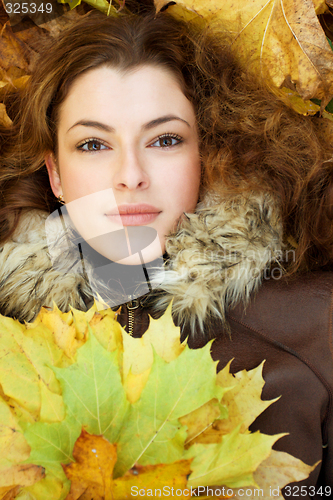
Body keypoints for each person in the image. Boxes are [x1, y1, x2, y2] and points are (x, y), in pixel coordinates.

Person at [0, 7, 333, 497]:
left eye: (165, 139)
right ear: (55, 175)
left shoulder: (317, 327)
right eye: (93, 144)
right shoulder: (10, 341)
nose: (130, 174)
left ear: (210, 154)